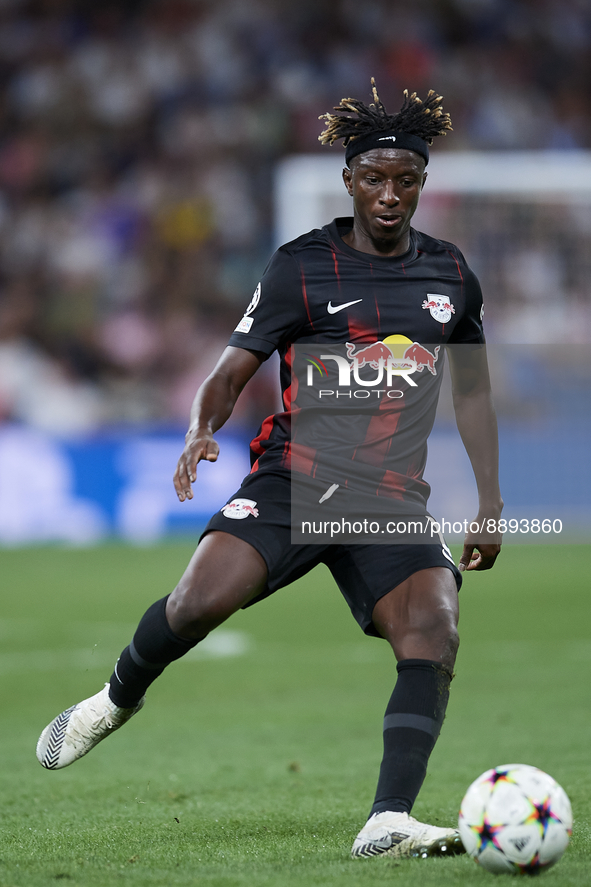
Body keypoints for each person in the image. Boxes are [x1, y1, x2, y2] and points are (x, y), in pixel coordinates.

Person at [36, 81, 502, 861]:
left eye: (406, 180)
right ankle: (114, 700)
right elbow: (229, 370)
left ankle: (386, 819)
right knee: (195, 602)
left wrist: (489, 501)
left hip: (387, 497)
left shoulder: (450, 275)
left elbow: (477, 392)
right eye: (374, 179)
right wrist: (197, 429)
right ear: (349, 182)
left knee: (434, 629)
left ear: (421, 184)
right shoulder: (302, 267)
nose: (390, 195)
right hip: (295, 479)